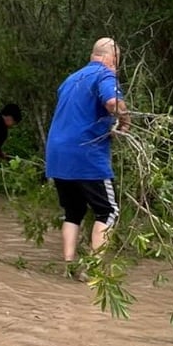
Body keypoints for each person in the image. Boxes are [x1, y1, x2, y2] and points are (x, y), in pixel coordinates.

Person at [45, 37, 130, 266]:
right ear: (110, 58)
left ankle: (69, 263)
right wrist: (124, 121)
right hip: (86, 153)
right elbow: (112, 103)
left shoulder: (71, 79)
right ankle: (94, 270)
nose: (117, 66)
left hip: (57, 155)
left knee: (73, 211)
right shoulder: (105, 74)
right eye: (117, 60)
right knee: (109, 211)